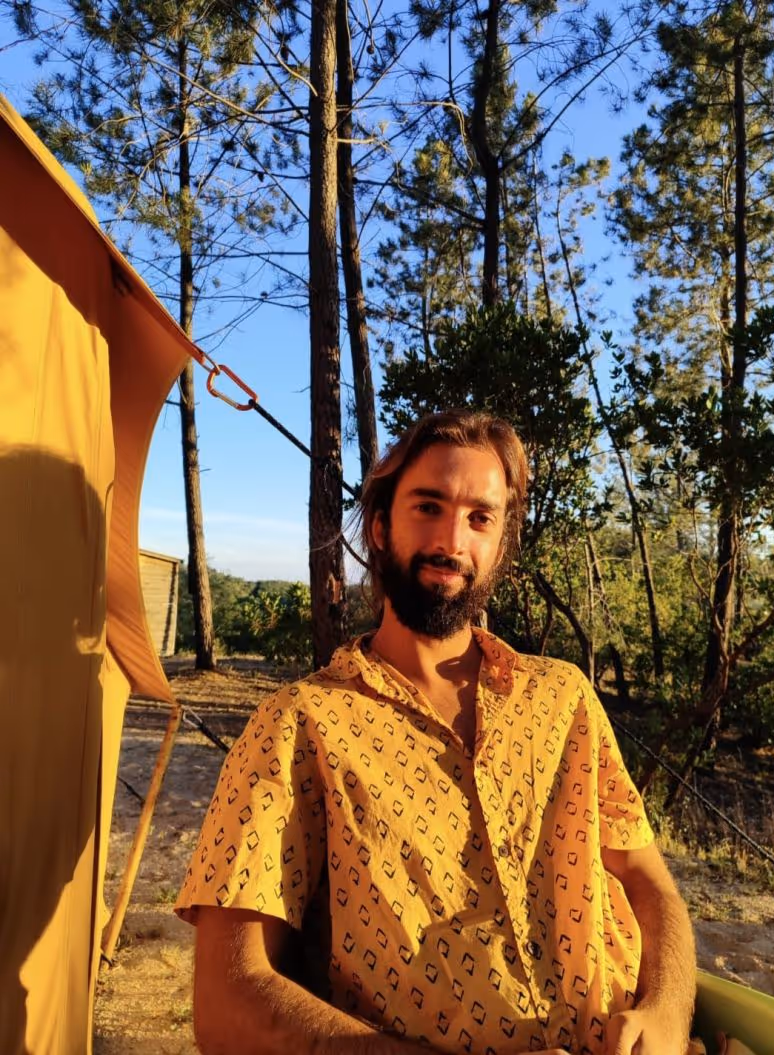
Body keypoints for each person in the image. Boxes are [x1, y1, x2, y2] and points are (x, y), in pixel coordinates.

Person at [175, 410, 696, 1055]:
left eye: (481, 518)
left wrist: (670, 1007)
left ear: (501, 544)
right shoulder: (300, 724)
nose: (452, 539)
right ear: (378, 527)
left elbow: (649, 880)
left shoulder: (563, 697)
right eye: (428, 506)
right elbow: (228, 1002)